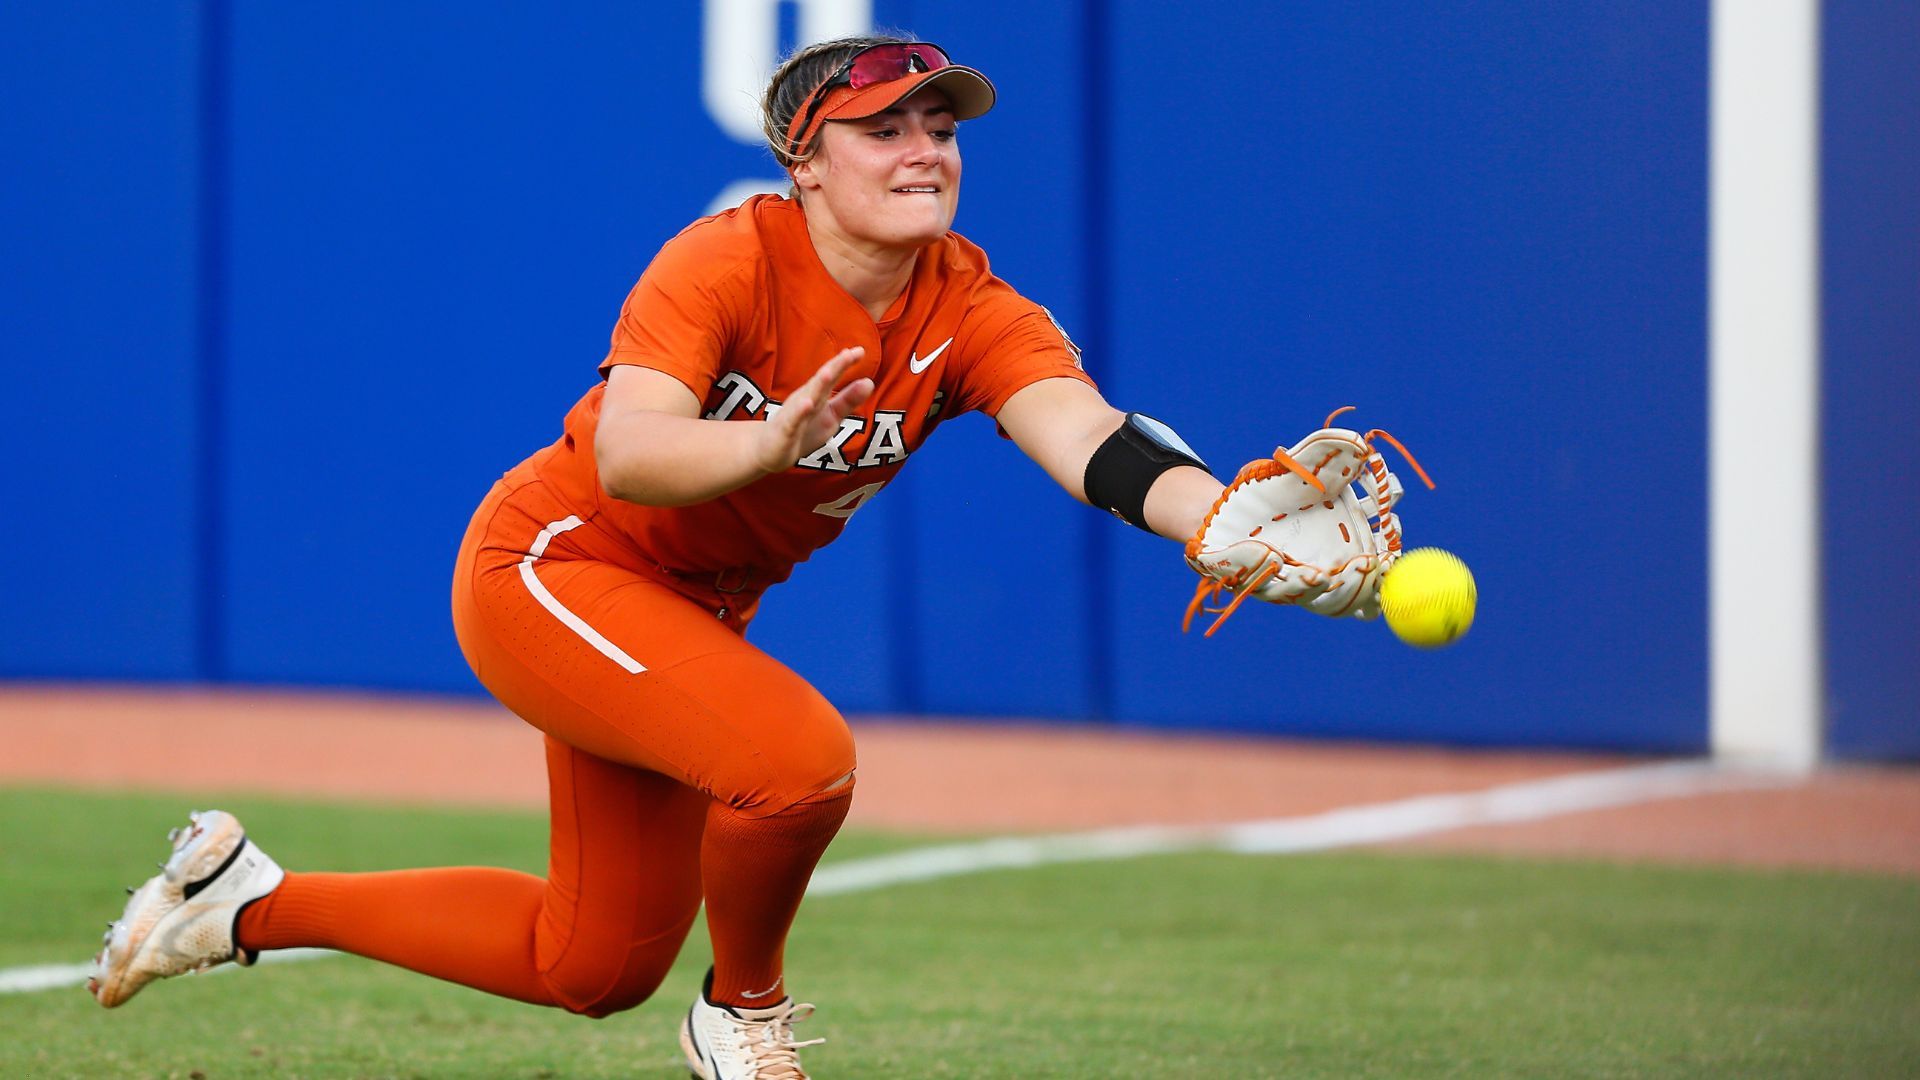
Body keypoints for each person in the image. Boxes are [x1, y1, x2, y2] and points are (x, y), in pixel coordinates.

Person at [85, 35, 1293, 1080]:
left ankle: (243, 905)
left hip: (686, 611)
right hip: (554, 568)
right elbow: (629, 454)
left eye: (940, 127)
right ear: (805, 162)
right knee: (796, 766)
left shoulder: (970, 305)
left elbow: (1090, 437)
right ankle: (741, 1013)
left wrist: (1222, 520)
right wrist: (766, 440)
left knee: (592, 966)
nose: (925, 149)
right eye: (883, 129)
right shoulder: (726, 260)